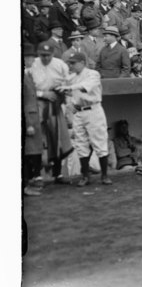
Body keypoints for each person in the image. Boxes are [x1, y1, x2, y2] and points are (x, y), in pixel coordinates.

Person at [55, 52, 112, 186]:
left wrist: (69, 87)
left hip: (93, 110)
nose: (71, 65)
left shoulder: (92, 74)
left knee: (99, 142)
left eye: (74, 63)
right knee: (81, 144)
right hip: (79, 112)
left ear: (82, 62)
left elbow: (84, 87)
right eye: (70, 63)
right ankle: (85, 176)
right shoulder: (72, 77)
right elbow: (69, 90)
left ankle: (104, 175)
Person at [29, 41, 72, 184]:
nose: (45, 58)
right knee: (37, 139)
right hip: (37, 103)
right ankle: (36, 174)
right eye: (42, 55)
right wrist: (42, 93)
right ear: (38, 54)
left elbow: (69, 83)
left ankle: (57, 173)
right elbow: (27, 88)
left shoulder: (60, 64)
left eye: (48, 55)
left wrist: (61, 92)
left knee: (57, 137)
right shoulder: (33, 64)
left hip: (55, 102)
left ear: (53, 54)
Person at [23, 43, 44, 196]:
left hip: (34, 116)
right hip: (28, 118)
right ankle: (27, 184)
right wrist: (28, 124)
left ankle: (31, 180)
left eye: (31, 57)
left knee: (34, 150)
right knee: (28, 152)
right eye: (28, 57)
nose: (31, 60)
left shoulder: (29, 75)